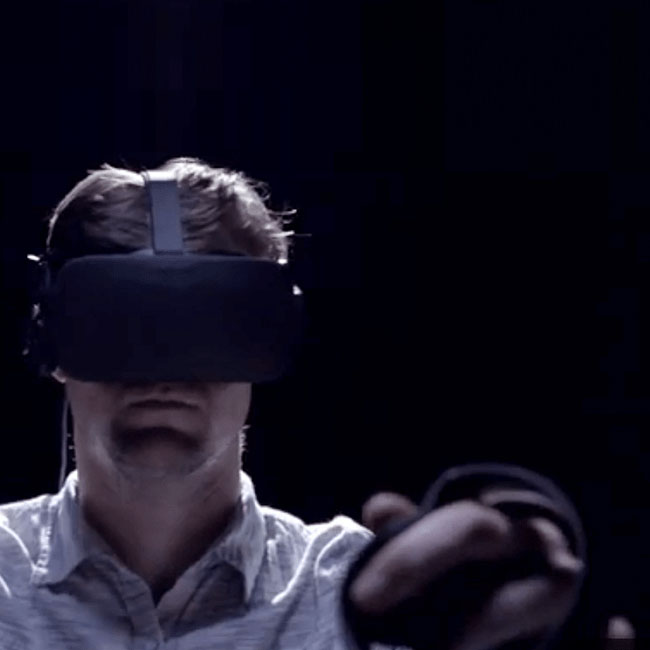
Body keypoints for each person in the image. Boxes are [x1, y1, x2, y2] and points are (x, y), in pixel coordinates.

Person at [0, 157, 629, 649]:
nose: (165, 369)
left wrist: (538, 597)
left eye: (209, 323)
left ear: (268, 336)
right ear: (50, 341)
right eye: (122, 323)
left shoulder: (376, 601)